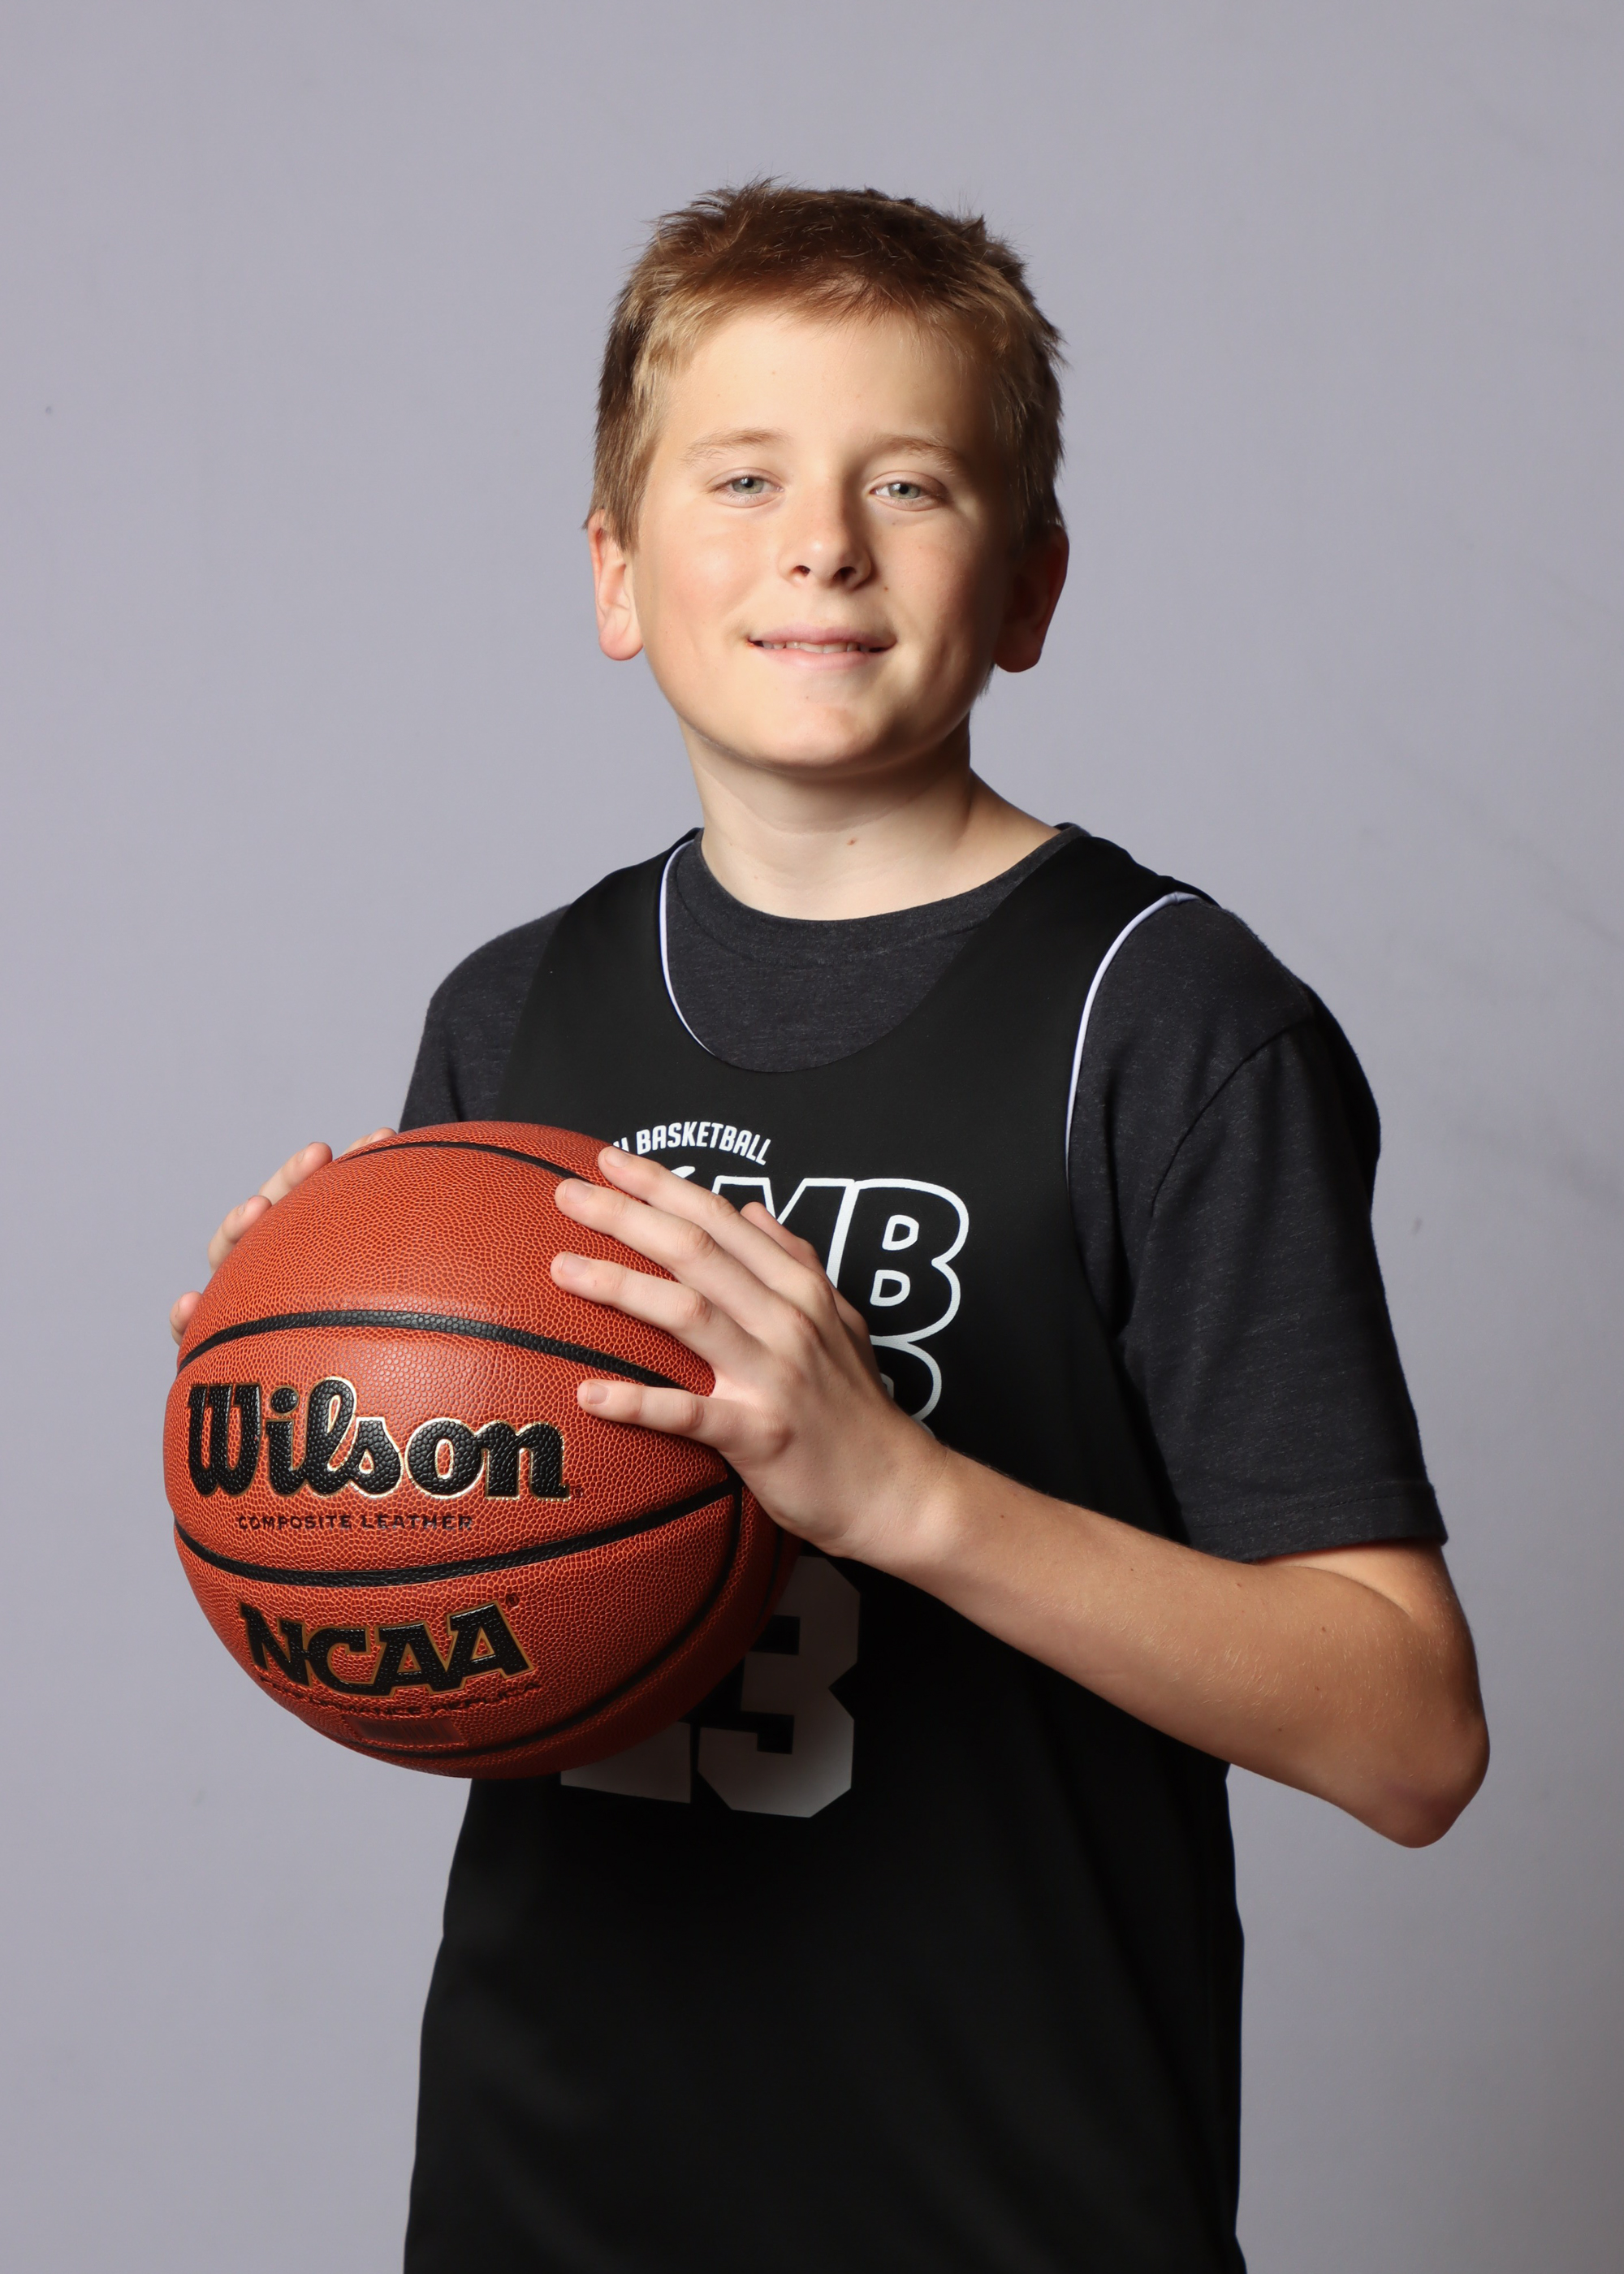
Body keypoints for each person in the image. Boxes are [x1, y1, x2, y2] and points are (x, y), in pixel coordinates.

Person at [170, 184, 1488, 2272]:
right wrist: (314, 1414)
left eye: (909, 481)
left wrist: (901, 1491)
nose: (822, 544)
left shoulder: (1163, 1020)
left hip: (1009, 2198)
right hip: (546, 2187)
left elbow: (1407, 1734)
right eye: (743, 475)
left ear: (1030, 584)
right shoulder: (510, 1015)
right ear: (615, 572)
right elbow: (475, 1625)